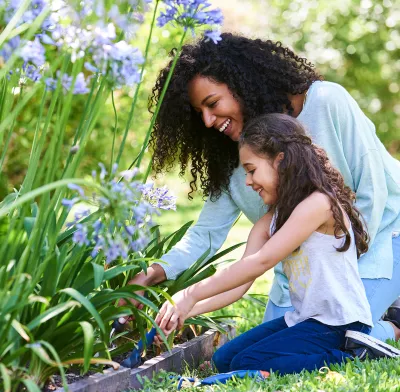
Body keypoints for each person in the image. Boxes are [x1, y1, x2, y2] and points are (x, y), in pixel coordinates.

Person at [123, 33, 400, 353]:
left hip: (383, 236)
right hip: (304, 269)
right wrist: (149, 276)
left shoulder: (325, 102)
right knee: (273, 344)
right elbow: (204, 237)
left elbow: (374, 193)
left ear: (243, 83)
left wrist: (339, 277)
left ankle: (393, 328)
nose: (209, 121)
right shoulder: (233, 161)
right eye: (200, 113)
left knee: (341, 338)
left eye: (212, 104)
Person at [155, 113, 375, 374]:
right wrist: (184, 311)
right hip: (305, 320)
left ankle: (355, 356)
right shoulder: (271, 220)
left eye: (251, 170)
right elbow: (240, 284)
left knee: (246, 363)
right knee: (224, 360)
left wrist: (191, 294)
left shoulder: (319, 204)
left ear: (280, 161)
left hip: (340, 324)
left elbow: (262, 261)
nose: (247, 181)